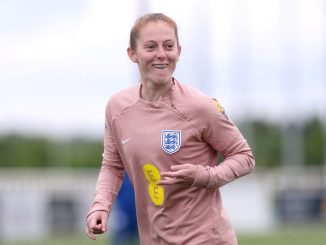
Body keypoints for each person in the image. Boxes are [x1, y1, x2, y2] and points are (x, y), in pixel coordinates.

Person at [86, 13, 255, 245]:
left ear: (179, 52)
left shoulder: (200, 106)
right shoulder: (117, 107)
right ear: (132, 54)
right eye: (151, 46)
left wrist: (204, 176)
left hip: (207, 239)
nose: (161, 54)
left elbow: (245, 157)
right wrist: (101, 206)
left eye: (168, 46)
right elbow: (113, 165)